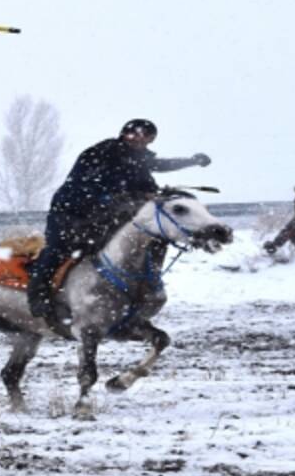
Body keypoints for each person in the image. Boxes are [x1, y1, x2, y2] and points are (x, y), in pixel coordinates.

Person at [26, 119, 211, 325]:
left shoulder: (139, 159)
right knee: (59, 249)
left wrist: (192, 161)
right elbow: (90, 187)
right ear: (124, 134)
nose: (141, 141)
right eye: (136, 135)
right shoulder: (101, 153)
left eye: (147, 138)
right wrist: (128, 197)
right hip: (72, 213)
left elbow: (161, 165)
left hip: (107, 215)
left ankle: (129, 293)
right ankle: (38, 296)